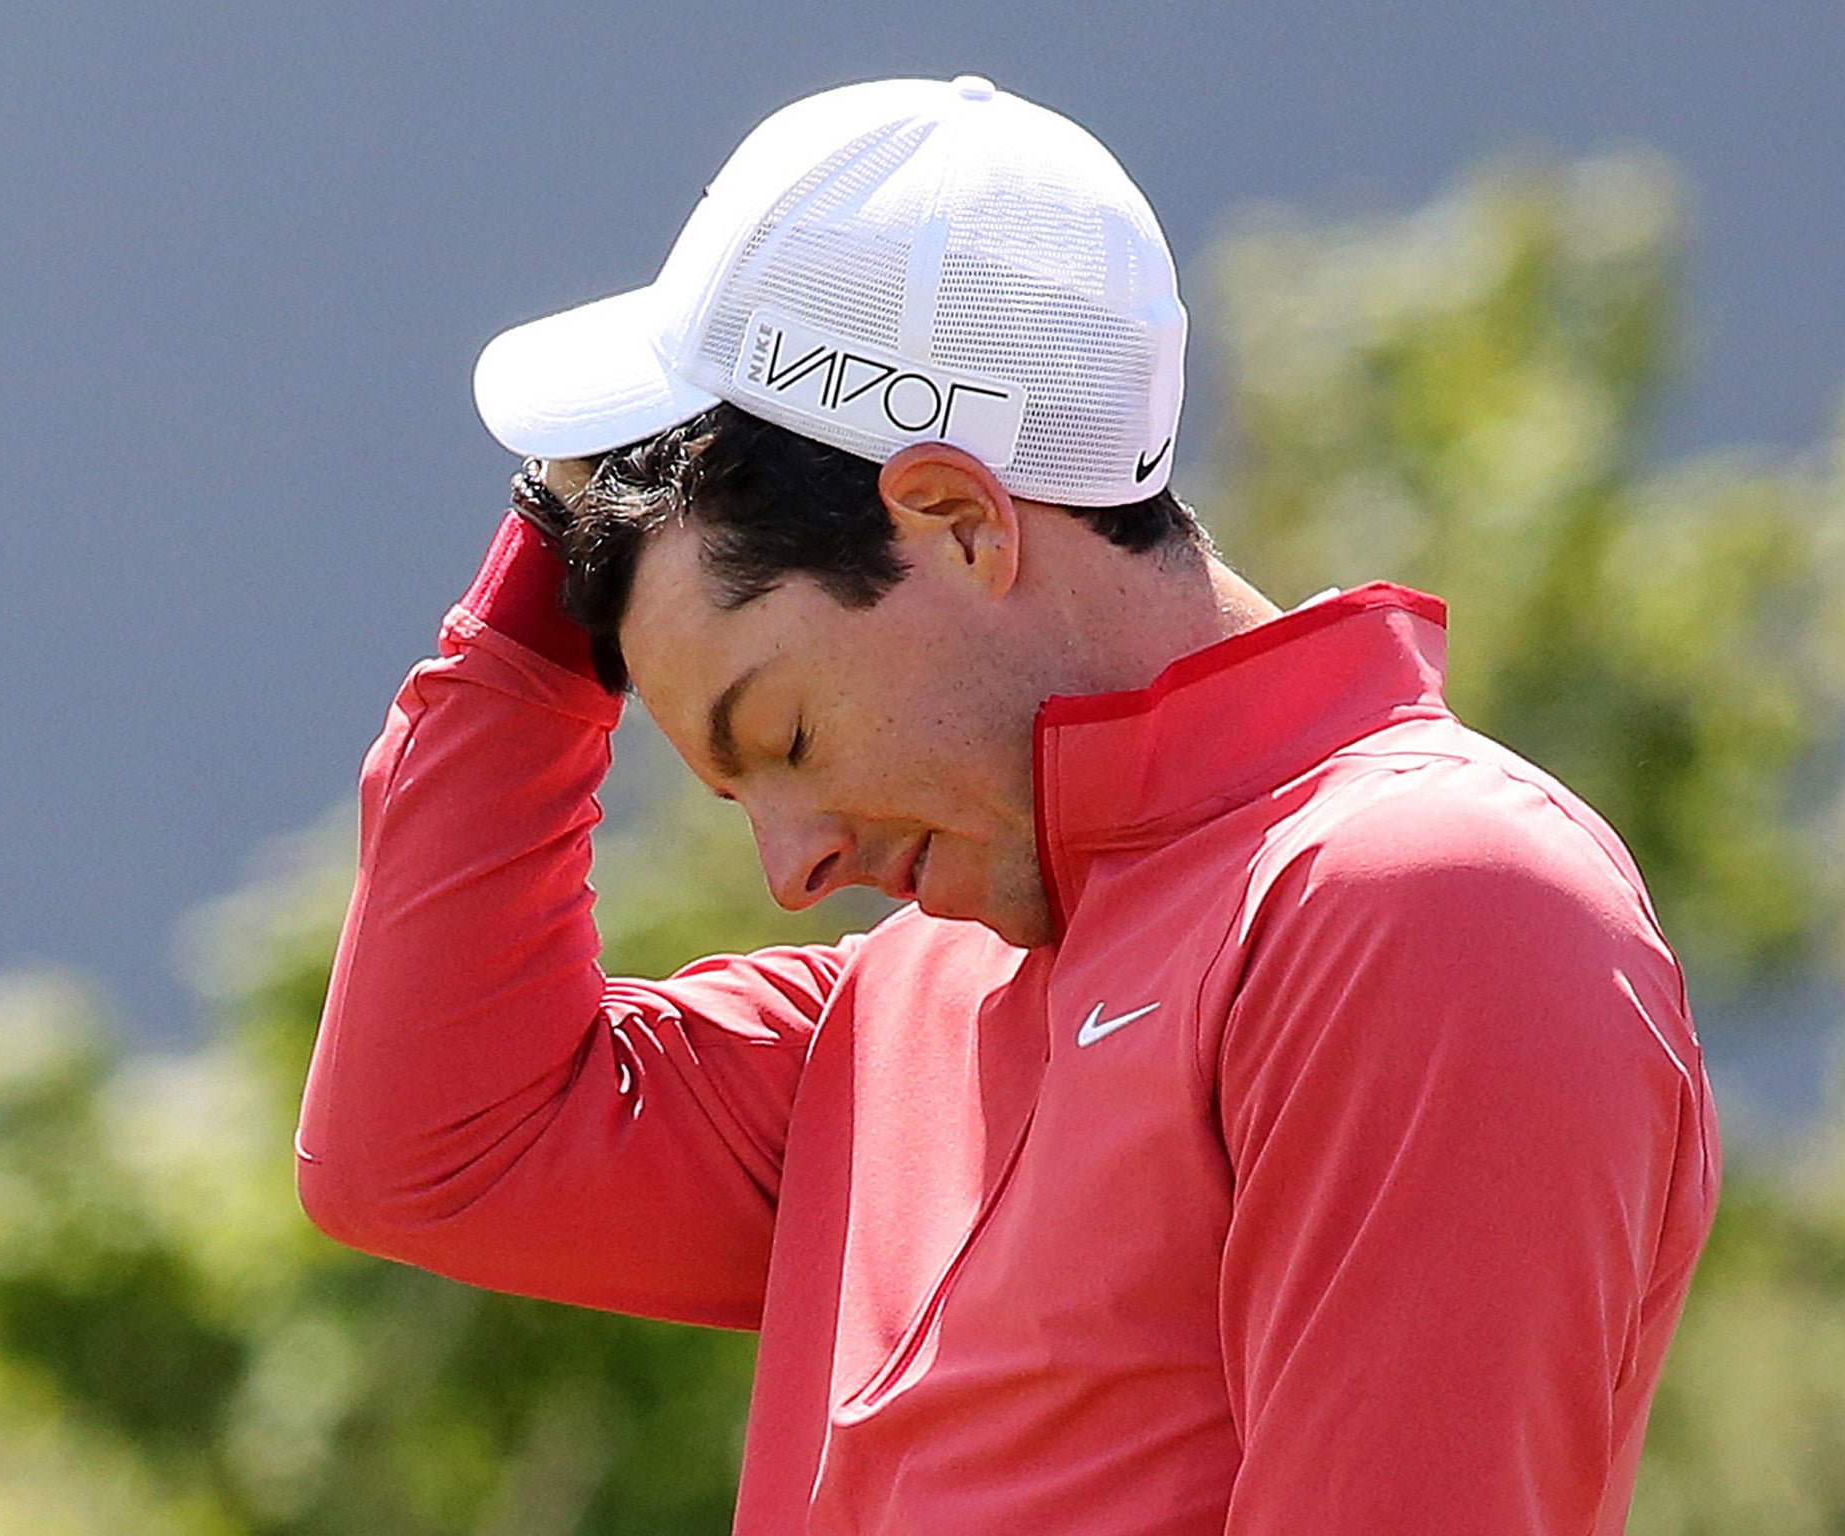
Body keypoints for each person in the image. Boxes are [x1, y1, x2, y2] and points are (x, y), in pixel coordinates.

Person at [298, 75, 1719, 1535]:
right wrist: (562, 543)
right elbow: (426, 1152)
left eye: (782, 734)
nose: (795, 870)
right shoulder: (908, 1000)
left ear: (961, 520)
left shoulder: (1428, 901)